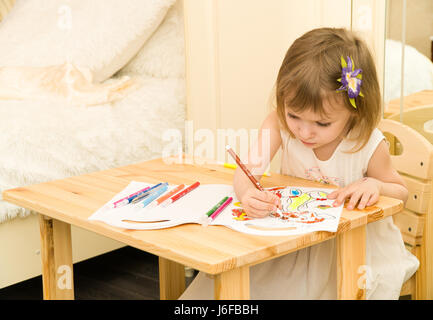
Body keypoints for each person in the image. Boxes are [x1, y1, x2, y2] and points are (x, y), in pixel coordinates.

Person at [180, 27, 419, 300]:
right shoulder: (277, 124)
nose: (305, 132)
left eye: (322, 123)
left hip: (353, 247)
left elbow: (401, 192)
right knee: (231, 285)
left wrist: (375, 184)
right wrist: (248, 193)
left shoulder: (366, 142)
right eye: (294, 115)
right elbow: (247, 172)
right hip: (295, 242)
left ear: (355, 112)